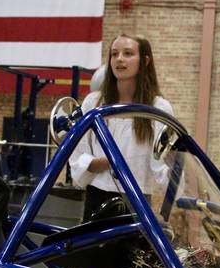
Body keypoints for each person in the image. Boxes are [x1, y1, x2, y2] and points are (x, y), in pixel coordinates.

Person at [69, 34, 173, 220]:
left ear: (145, 60)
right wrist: (101, 163)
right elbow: (77, 153)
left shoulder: (158, 108)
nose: (119, 59)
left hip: (136, 198)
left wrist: (181, 178)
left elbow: (162, 163)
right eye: (114, 54)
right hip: (97, 196)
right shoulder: (93, 102)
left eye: (128, 53)